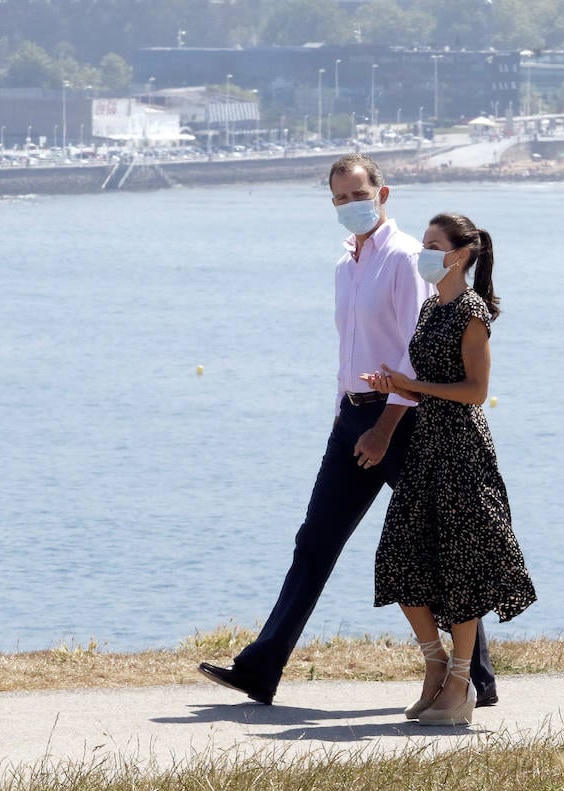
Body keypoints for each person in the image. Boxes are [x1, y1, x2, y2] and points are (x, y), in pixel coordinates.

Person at [199, 154, 499, 707]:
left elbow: (420, 355)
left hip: (403, 421)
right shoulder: (346, 265)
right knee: (314, 541)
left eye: (357, 196)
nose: (348, 207)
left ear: (382, 195)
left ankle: (476, 679)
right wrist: (343, 412)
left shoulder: (409, 259)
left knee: (438, 545)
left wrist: (385, 425)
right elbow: (353, 347)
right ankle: (261, 670)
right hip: (352, 419)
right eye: (338, 199)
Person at [363, 212, 536, 726]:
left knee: (460, 565)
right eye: (425, 244)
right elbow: (422, 376)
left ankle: (461, 683)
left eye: (434, 245)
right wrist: (392, 384)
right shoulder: (429, 308)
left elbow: (475, 393)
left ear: (458, 254)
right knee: (399, 557)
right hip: (426, 446)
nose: (424, 253)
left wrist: (412, 386)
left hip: (461, 449)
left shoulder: (472, 312)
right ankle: (435, 663)